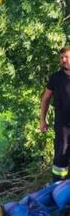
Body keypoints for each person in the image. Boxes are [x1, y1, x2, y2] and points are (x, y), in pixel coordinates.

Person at [40, 46, 70, 182]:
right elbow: (46, 98)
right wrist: (43, 120)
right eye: (61, 58)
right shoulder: (55, 78)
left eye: (66, 57)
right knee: (62, 155)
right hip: (63, 124)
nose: (63, 60)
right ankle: (58, 188)